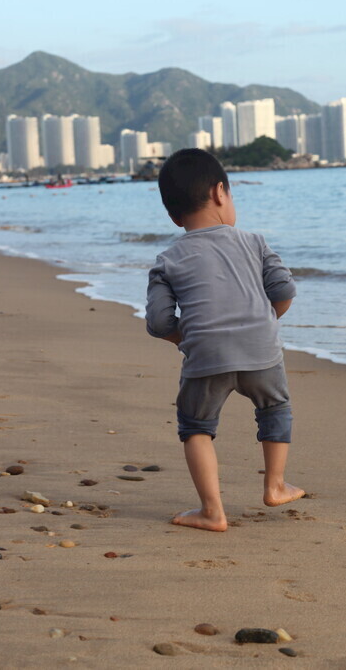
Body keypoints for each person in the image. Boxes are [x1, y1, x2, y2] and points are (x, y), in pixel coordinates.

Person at [146, 148, 303, 532]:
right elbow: (284, 289)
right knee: (275, 408)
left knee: (195, 427)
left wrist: (191, 336)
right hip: (262, 352)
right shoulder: (255, 242)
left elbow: (158, 321)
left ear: (172, 214)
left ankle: (213, 511)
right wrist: (264, 321)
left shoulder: (167, 259)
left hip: (205, 357)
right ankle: (276, 485)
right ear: (220, 193)